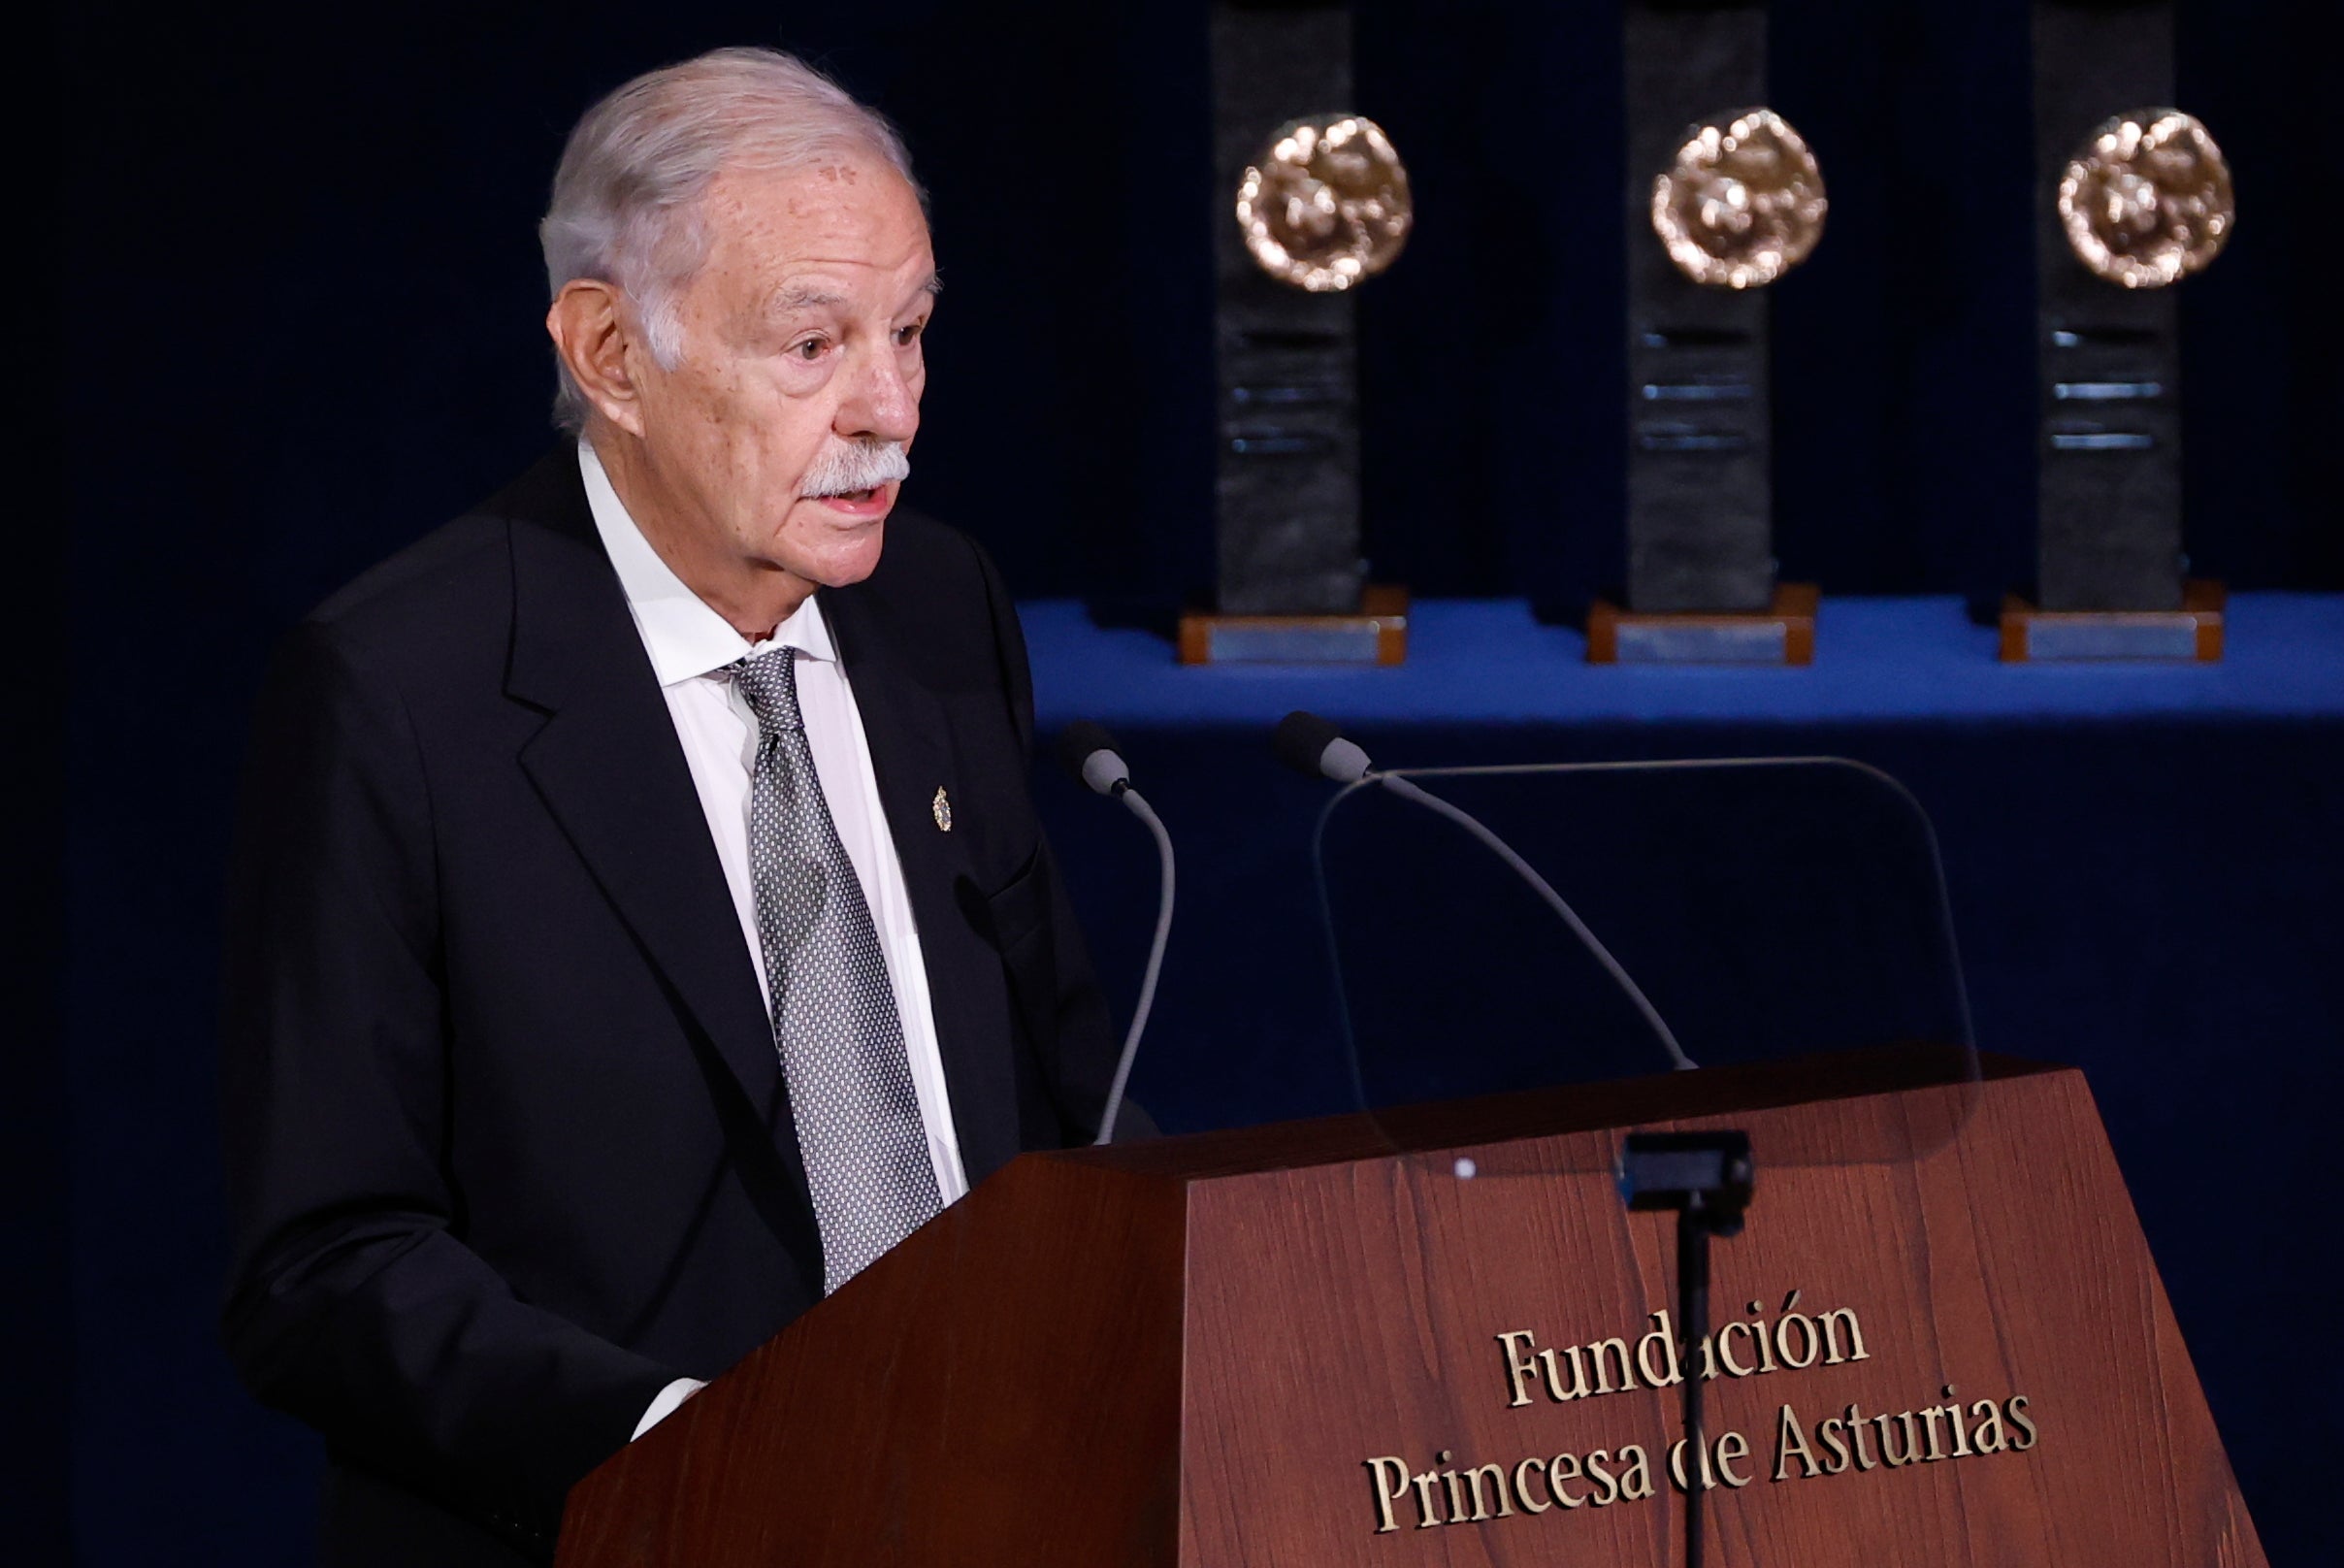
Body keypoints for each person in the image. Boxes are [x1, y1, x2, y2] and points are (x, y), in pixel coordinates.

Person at [218, 47, 1130, 1567]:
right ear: (612, 356)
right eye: (813, 345)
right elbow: (324, 1264)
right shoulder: (401, 693)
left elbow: (1064, 1092)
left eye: (909, 332)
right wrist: (689, 1450)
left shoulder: (941, 606)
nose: (890, 409)